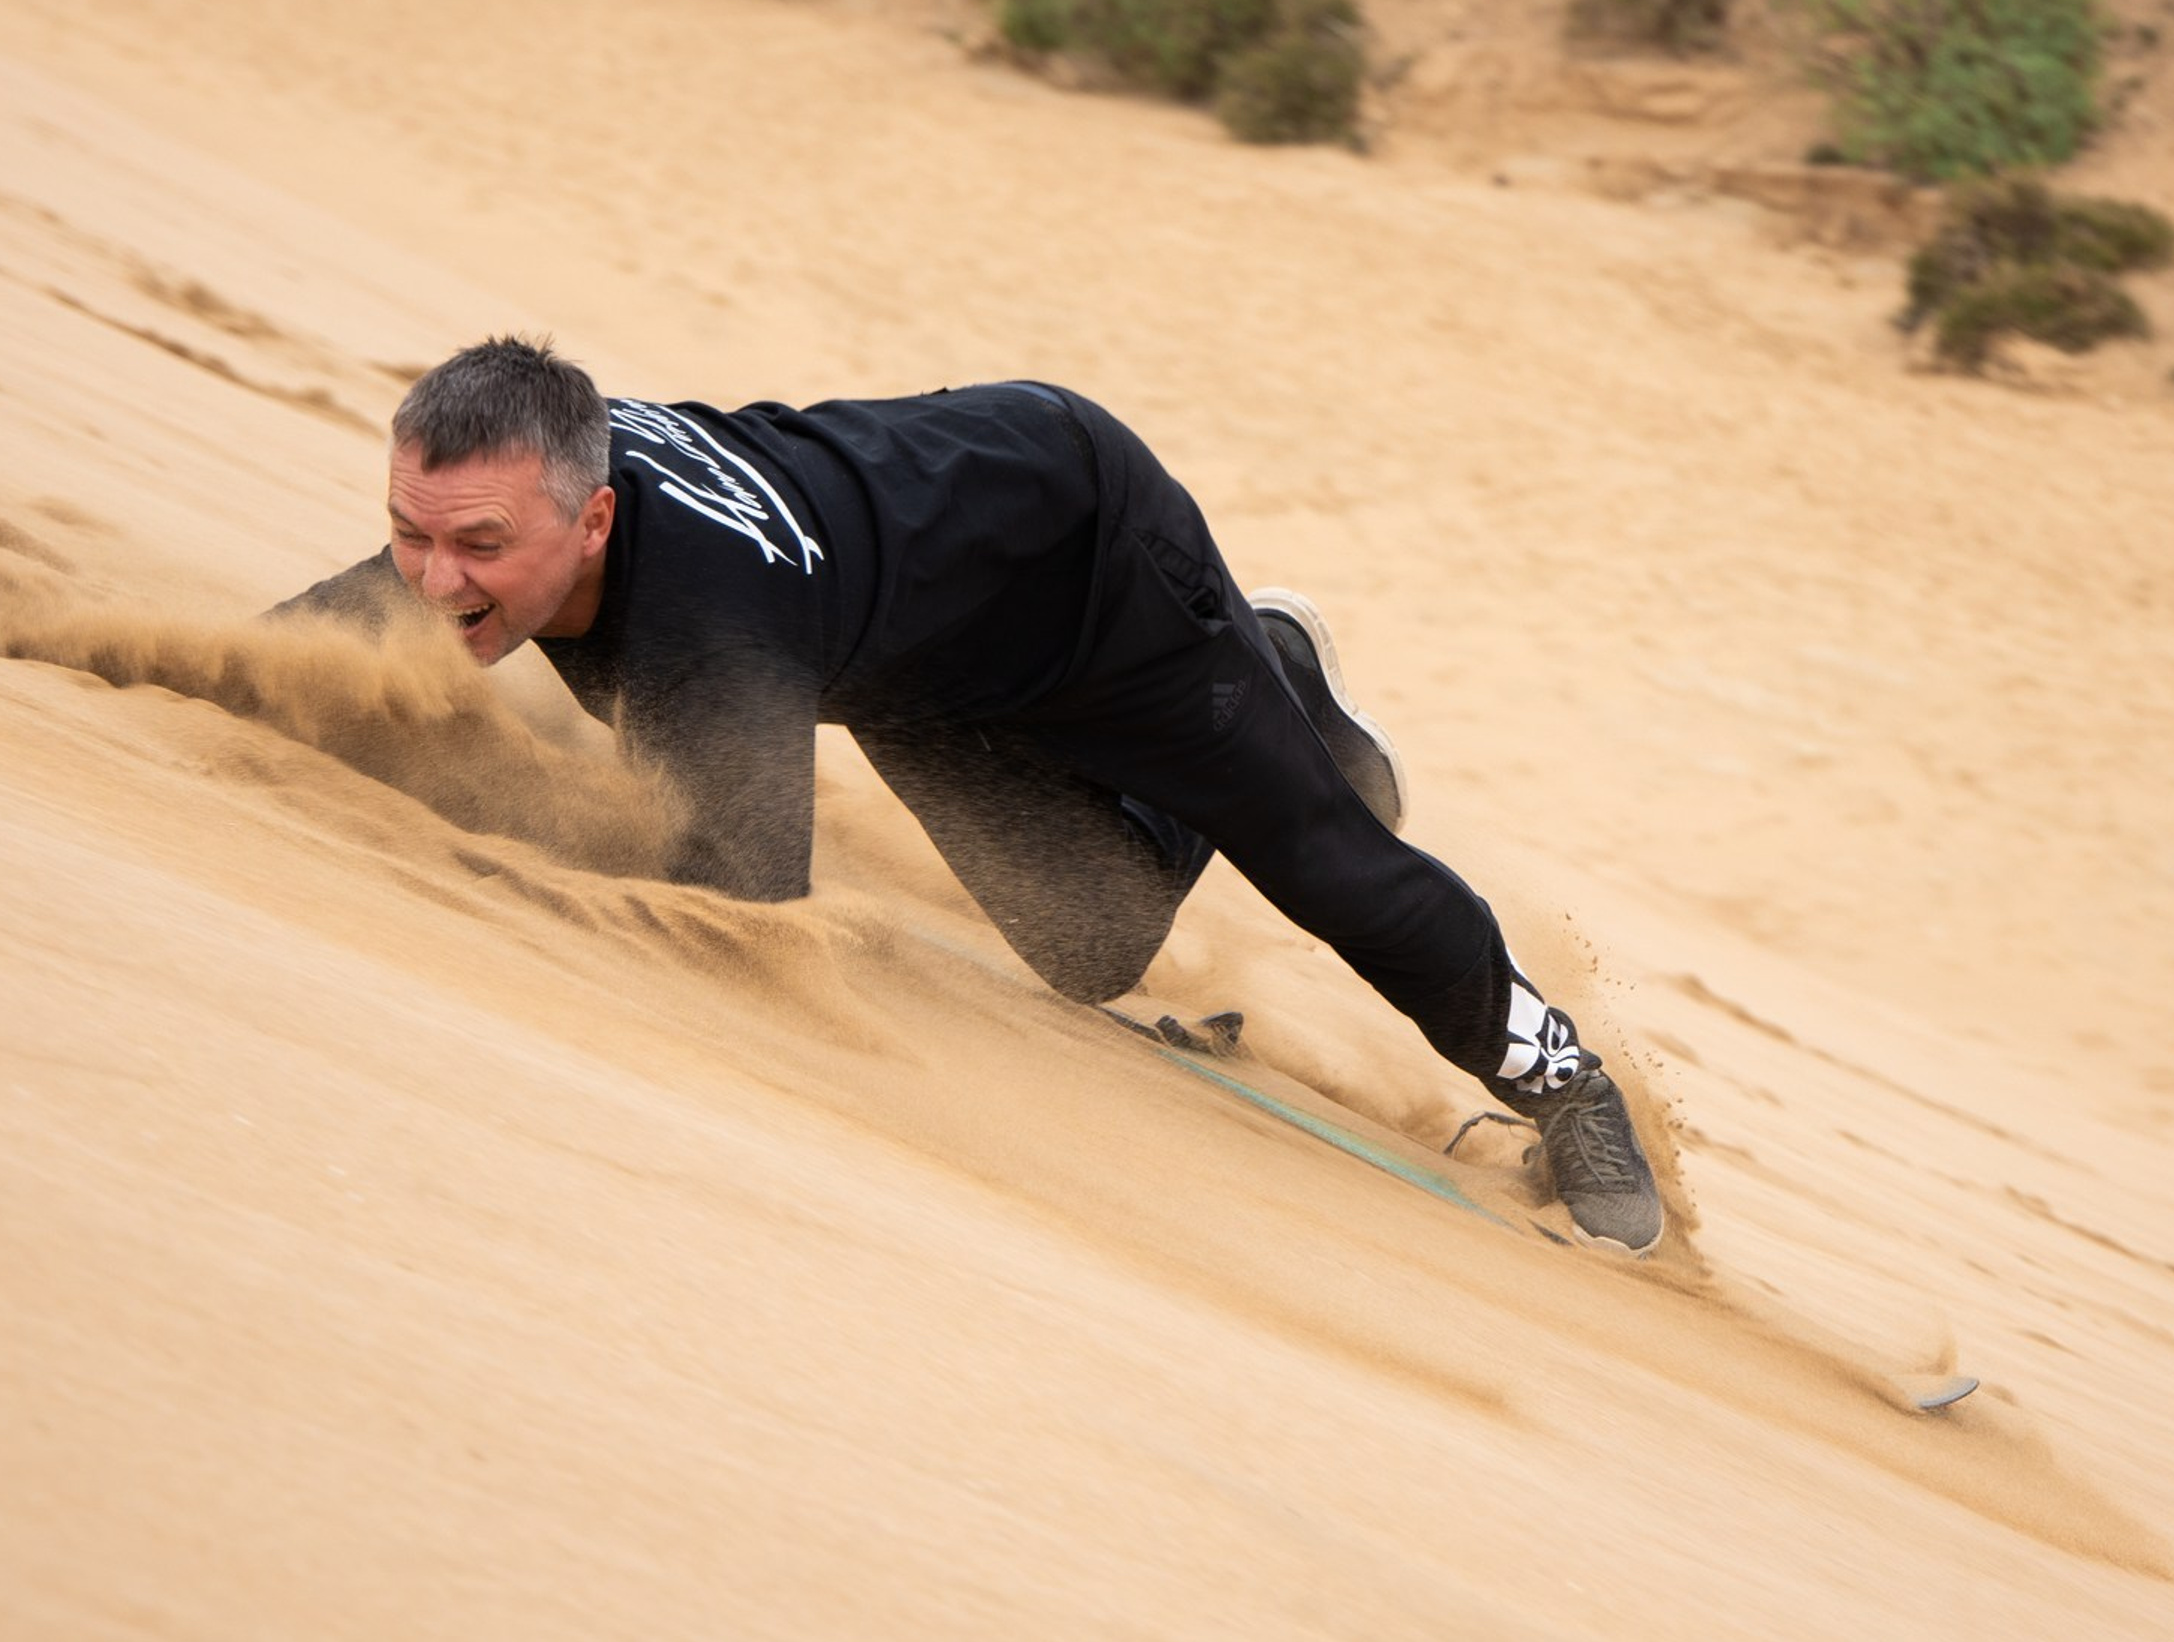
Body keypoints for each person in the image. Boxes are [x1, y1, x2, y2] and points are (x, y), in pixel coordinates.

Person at [283, 336, 1663, 1252]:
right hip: (915, 662)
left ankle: (1562, 1080)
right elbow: (321, 638)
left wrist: (499, 856)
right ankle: (1264, 696)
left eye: (478, 547)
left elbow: (748, 908)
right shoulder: (525, 484)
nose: (437, 580)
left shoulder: (709, 623)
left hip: (1089, 564)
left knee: (1319, 851)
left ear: (592, 517)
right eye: (410, 532)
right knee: (1093, 948)